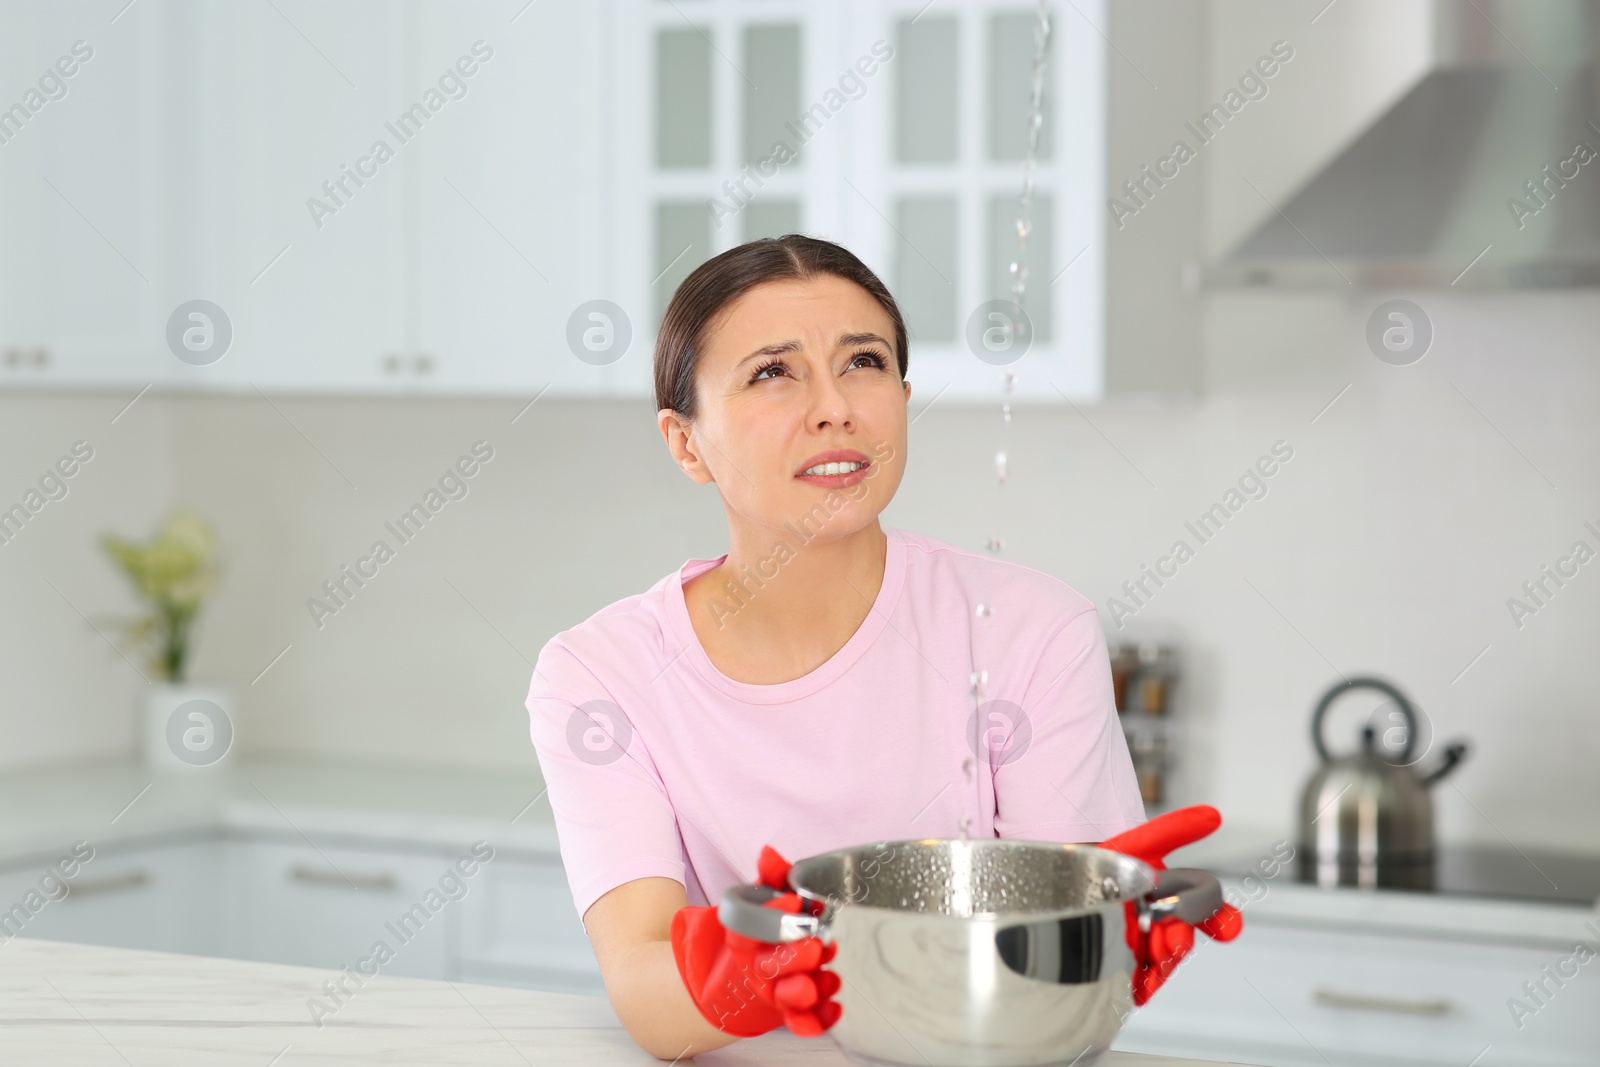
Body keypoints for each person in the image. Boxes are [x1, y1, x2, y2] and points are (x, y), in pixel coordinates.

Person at [526, 235, 1147, 1058]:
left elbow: (1058, 985)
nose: (835, 407)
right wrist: (780, 965)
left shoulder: (1034, 630)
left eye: (864, 362)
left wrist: (1108, 944)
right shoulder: (602, 676)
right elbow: (644, 986)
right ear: (685, 443)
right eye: (772, 372)